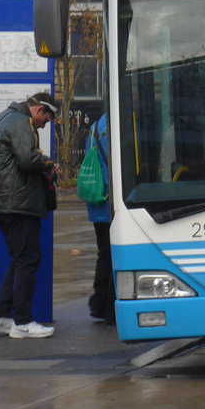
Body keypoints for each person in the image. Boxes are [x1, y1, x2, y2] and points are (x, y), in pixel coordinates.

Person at [0, 92, 59, 339]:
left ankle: (0, 316)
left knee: (20, 258)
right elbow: (27, 159)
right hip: (18, 202)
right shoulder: (21, 122)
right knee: (28, 258)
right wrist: (49, 164)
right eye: (45, 119)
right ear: (38, 110)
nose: (44, 124)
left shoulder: (3, 118)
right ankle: (23, 322)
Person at [84, 113, 114, 323]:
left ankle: (99, 302)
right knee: (116, 256)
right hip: (112, 202)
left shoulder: (96, 126)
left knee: (104, 253)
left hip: (97, 201)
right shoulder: (120, 122)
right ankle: (111, 307)